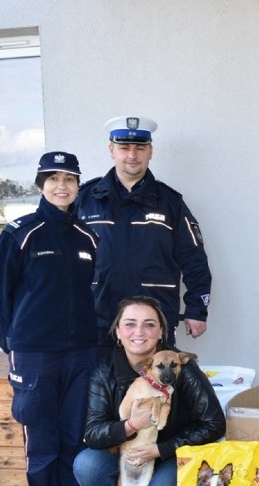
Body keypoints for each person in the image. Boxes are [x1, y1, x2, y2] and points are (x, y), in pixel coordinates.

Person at [0, 152, 101, 486]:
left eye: (69, 179)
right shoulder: (21, 232)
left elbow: (94, 296)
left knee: (75, 439)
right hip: (35, 357)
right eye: (53, 179)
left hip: (81, 354)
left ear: (77, 185)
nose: (61, 186)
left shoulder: (88, 237)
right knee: (42, 444)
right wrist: (13, 342)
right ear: (40, 185)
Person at [73, 295, 226, 486]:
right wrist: (131, 425)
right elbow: (93, 432)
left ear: (161, 332)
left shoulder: (179, 366)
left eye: (149, 324)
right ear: (118, 332)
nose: (139, 333)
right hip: (126, 450)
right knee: (87, 466)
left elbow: (214, 424)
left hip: (170, 455)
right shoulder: (104, 372)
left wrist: (162, 449)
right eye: (130, 324)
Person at [75, 116, 212, 358]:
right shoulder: (85, 200)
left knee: (156, 393)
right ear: (111, 150)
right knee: (99, 392)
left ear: (150, 151)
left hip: (154, 321)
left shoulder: (170, 203)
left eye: (140, 148)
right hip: (96, 319)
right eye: (124, 148)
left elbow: (194, 259)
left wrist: (196, 310)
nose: (132, 155)